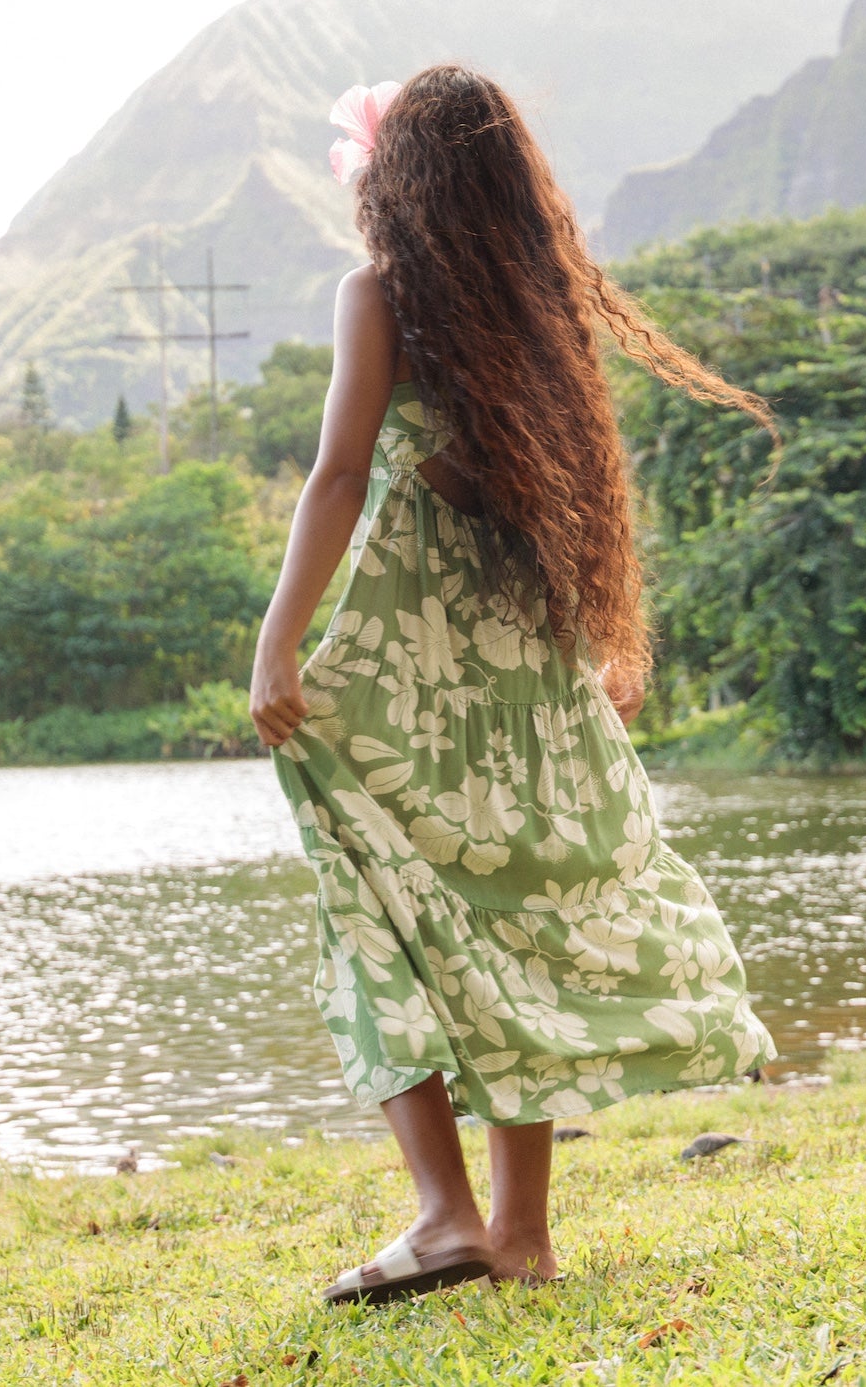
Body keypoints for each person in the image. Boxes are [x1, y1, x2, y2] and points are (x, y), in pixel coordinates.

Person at [248, 64, 776, 1307]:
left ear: (399, 186)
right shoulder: (544, 308)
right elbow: (592, 485)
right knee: (522, 906)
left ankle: (445, 1215)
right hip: (525, 647)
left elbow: (335, 478)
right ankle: (521, 1234)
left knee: (374, 895)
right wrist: (610, 634)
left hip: (410, 641)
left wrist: (278, 642)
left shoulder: (377, 295)